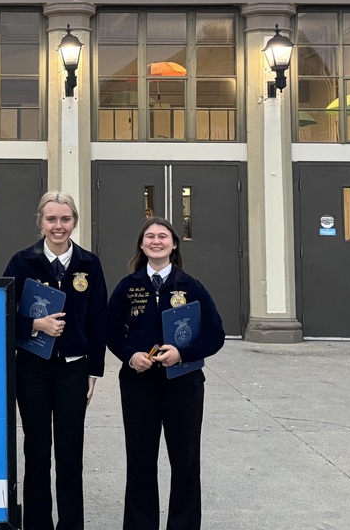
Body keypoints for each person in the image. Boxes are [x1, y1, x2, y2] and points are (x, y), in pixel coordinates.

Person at [105, 217, 225, 530]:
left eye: (162, 236)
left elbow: (215, 334)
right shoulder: (128, 287)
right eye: (150, 237)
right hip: (138, 384)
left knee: (185, 461)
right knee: (141, 460)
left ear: (173, 244)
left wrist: (182, 353)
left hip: (183, 385)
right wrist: (131, 356)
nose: (156, 241)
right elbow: (110, 332)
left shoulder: (191, 286)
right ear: (142, 245)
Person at [2, 191, 108, 530]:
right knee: (36, 451)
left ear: (74, 222)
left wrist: (94, 370)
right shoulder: (22, 263)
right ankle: (36, 524)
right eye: (51, 219)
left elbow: (98, 320)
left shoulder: (89, 265)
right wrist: (34, 324)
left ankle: (71, 525)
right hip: (32, 367)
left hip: (73, 369)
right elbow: (1, 313)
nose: (58, 226)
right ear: (40, 222)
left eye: (65, 219)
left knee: (69, 453)